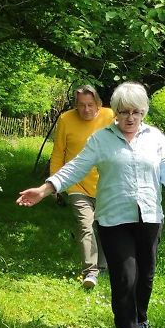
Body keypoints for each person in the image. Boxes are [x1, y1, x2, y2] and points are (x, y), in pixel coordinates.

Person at [17, 82, 165, 328]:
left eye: (135, 112)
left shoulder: (155, 138)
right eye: (123, 112)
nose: (129, 118)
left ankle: (141, 317)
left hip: (150, 216)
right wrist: (45, 189)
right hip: (113, 218)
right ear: (114, 113)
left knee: (146, 275)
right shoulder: (100, 139)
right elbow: (75, 168)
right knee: (124, 276)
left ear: (143, 112)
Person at [50, 85, 114, 289]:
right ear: (75, 106)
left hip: (105, 183)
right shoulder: (66, 119)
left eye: (90, 105)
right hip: (76, 184)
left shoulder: (110, 116)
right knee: (86, 225)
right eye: (81, 105)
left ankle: (103, 267)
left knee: (104, 226)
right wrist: (55, 183)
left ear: (98, 104)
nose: (86, 110)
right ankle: (90, 272)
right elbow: (58, 153)